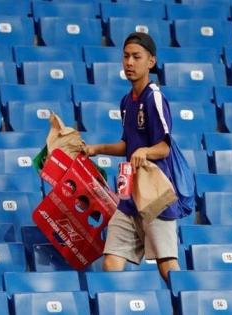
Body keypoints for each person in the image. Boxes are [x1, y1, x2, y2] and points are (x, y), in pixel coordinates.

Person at [84, 32, 180, 283]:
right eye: (126, 56)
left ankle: (186, 304)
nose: (129, 62)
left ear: (151, 61)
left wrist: (146, 151)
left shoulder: (154, 97)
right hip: (129, 195)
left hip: (154, 194)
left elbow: (164, 147)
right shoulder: (126, 101)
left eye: (136, 57)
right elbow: (128, 144)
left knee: (166, 263)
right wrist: (97, 149)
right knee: (112, 258)